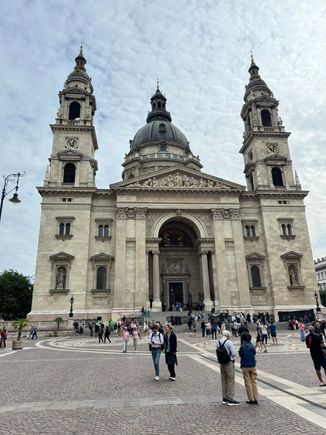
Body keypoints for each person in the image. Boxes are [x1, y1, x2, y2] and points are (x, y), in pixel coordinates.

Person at [216, 330, 239, 406]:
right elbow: (234, 353)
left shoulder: (218, 342)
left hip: (221, 363)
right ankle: (230, 398)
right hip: (229, 362)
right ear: (228, 335)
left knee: (224, 380)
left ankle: (224, 397)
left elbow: (216, 352)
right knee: (231, 380)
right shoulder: (229, 342)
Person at [239, 333, 259, 405]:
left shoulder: (243, 347)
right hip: (253, 365)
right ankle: (256, 397)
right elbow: (254, 353)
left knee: (248, 383)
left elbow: (240, 354)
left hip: (245, 366)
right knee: (254, 382)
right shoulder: (252, 346)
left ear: (243, 340)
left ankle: (251, 399)